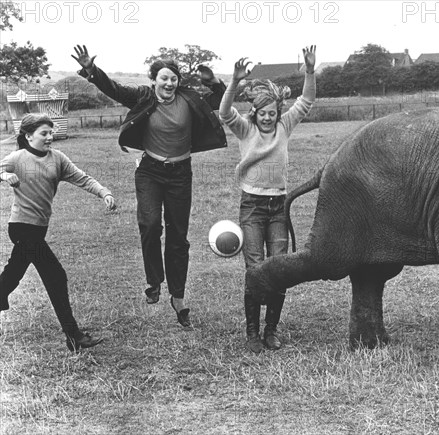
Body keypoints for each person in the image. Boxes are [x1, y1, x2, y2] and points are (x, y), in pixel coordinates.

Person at [71, 45, 228, 327]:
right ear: (153, 79)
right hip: (150, 171)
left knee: (179, 236)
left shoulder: (189, 98)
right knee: (150, 223)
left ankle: (178, 297)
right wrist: (91, 71)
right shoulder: (143, 97)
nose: (169, 83)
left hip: (181, 173)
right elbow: (115, 89)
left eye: (174, 78)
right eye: (164, 78)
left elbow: (218, 99)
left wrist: (214, 82)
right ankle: (154, 281)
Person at [219, 46, 316, 353]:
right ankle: (251, 333)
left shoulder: (284, 127)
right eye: (263, 114)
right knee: (255, 269)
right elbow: (224, 113)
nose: (269, 118)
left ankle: (271, 331)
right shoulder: (245, 130)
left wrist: (310, 71)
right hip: (252, 207)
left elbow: (307, 101)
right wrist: (234, 82)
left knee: (278, 268)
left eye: (273, 113)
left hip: (279, 208)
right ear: (255, 114)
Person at [0, 113, 116, 351]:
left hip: (39, 229)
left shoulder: (57, 159)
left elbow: (81, 178)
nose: (50, 137)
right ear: (28, 136)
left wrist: (103, 192)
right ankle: (74, 336)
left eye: (51, 133)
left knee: (14, 272)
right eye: (44, 133)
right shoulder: (17, 158)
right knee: (55, 276)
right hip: (22, 227)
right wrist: (4, 175)